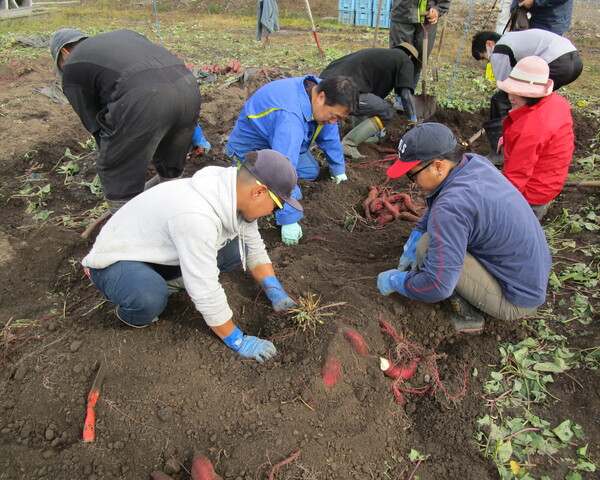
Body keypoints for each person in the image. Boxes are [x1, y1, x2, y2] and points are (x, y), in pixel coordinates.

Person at [81, 149, 301, 363]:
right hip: (116, 261)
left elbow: (253, 248)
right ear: (259, 192)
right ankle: (134, 307)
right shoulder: (196, 216)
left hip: (156, 251)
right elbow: (205, 289)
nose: (272, 213)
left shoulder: (231, 194)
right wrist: (238, 340)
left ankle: (166, 282)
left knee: (237, 250)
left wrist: (275, 291)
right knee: (148, 299)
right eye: (276, 207)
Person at [377, 123, 551, 333]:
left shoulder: (451, 206)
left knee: (427, 248)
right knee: (425, 239)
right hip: (529, 276)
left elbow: (437, 285)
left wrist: (398, 281)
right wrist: (417, 231)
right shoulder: (473, 164)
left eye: (412, 175)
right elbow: (438, 202)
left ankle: (468, 317)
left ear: (438, 166)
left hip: (515, 299)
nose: (412, 182)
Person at [50, 28, 207, 213]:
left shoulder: (73, 64)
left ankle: (128, 226)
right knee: (170, 167)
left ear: (64, 53)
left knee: (115, 172)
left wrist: (118, 159)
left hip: (143, 97)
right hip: (189, 87)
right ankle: (175, 214)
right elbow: (165, 86)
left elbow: (95, 123)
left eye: (60, 65)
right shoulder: (125, 37)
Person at [226, 75, 359, 246]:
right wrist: (289, 220)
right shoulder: (290, 120)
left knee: (311, 171)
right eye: (333, 116)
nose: (333, 121)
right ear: (321, 97)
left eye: (339, 119)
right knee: (292, 193)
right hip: (251, 151)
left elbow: (329, 133)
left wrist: (338, 169)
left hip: (278, 141)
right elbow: (281, 167)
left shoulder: (319, 90)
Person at [497, 56, 574, 220]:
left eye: (518, 93)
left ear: (532, 95)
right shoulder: (557, 102)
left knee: (510, 232)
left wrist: (489, 201)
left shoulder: (532, 129)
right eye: (511, 90)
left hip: (532, 193)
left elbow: (516, 178)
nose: (511, 97)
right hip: (551, 178)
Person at [319, 43, 420, 158]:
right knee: (387, 111)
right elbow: (406, 94)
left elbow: (369, 100)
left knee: (368, 102)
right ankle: (349, 144)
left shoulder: (382, 57)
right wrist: (413, 119)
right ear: (410, 57)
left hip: (325, 83)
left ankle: (363, 136)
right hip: (343, 90)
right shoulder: (405, 60)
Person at [471, 29, 583, 120]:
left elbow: (505, 85)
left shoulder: (499, 49)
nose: (488, 61)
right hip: (576, 62)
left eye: (484, 57)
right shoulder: (513, 38)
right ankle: (531, 124)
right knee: (533, 99)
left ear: (489, 44)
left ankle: (502, 137)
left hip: (557, 64)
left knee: (500, 100)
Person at [389, 0, 450, 105]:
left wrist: (438, 9)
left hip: (427, 18)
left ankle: (409, 94)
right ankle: (401, 96)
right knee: (401, 56)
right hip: (402, 15)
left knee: (419, 59)